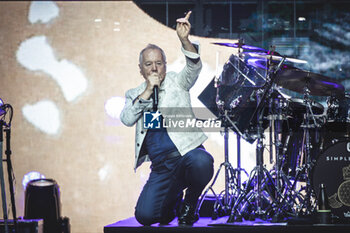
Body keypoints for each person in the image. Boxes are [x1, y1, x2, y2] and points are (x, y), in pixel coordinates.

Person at [120, 11, 214, 226]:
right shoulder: (134, 94)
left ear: (165, 65)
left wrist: (184, 40)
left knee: (202, 161)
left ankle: (190, 202)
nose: (154, 68)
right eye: (148, 64)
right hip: (162, 166)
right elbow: (126, 118)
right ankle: (173, 202)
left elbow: (194, 67)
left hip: (186, 154)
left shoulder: (176, 82)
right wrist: (147, 92)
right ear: (141, 69)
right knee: (146, 217)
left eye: (158, 63)